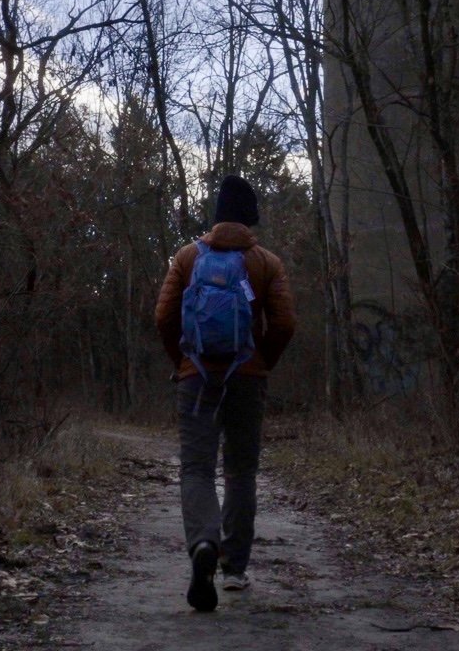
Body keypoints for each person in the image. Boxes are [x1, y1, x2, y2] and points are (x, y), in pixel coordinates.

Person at [153, 174, 296, 612]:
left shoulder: (187, 257)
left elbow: (163, 318)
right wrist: (261, 364)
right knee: (239, 472)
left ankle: (202, 544)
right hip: (246, 378)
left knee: (196, 468)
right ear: (250, 219)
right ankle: (233, 569)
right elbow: (285, 323)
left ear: (215, 217)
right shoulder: (266, 262)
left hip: (195, 376)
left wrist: (182, 360)